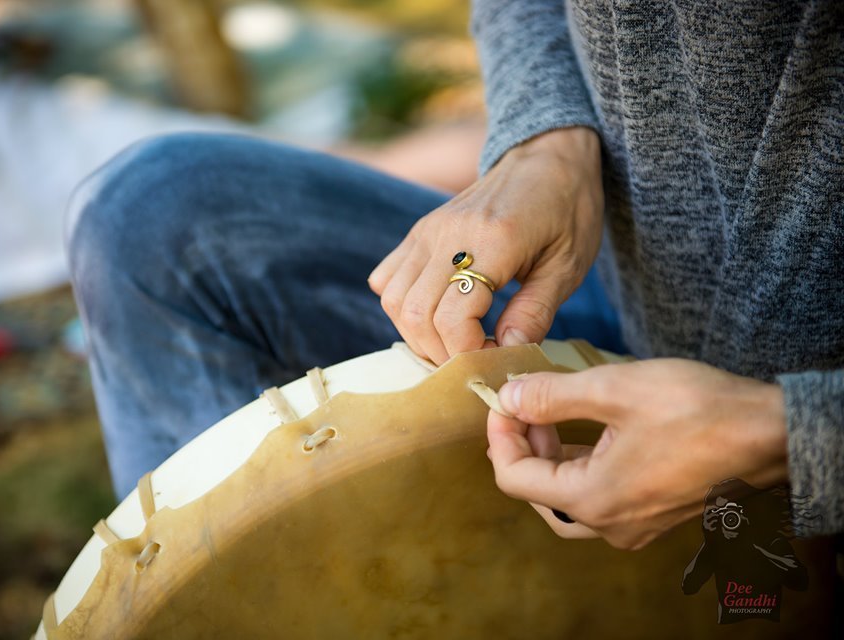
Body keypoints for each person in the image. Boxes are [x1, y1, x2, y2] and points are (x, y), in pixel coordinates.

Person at [67, 0, 843, 548]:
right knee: (148, 216)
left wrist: (787, 436)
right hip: (616, 303)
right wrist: (543, 138)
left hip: (796, 453)